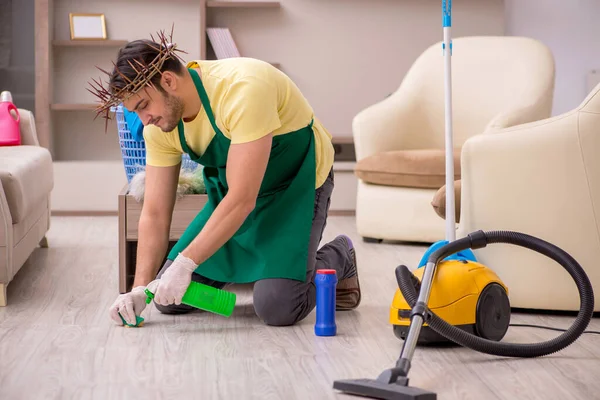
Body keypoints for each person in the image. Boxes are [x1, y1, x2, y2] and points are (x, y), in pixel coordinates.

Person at [103, 38, 361, 327]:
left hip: (294, 186)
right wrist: (140, 288)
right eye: (134, 111)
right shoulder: (160, 124)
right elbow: (155, 212)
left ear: (168, 80)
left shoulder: (242, 89)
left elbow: (242, 200)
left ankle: (340, 254)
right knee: (168, 298)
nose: (143, 119)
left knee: (278, 306)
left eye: (143, 105)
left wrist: (186, 264)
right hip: (233, 196)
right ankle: (262, 277)